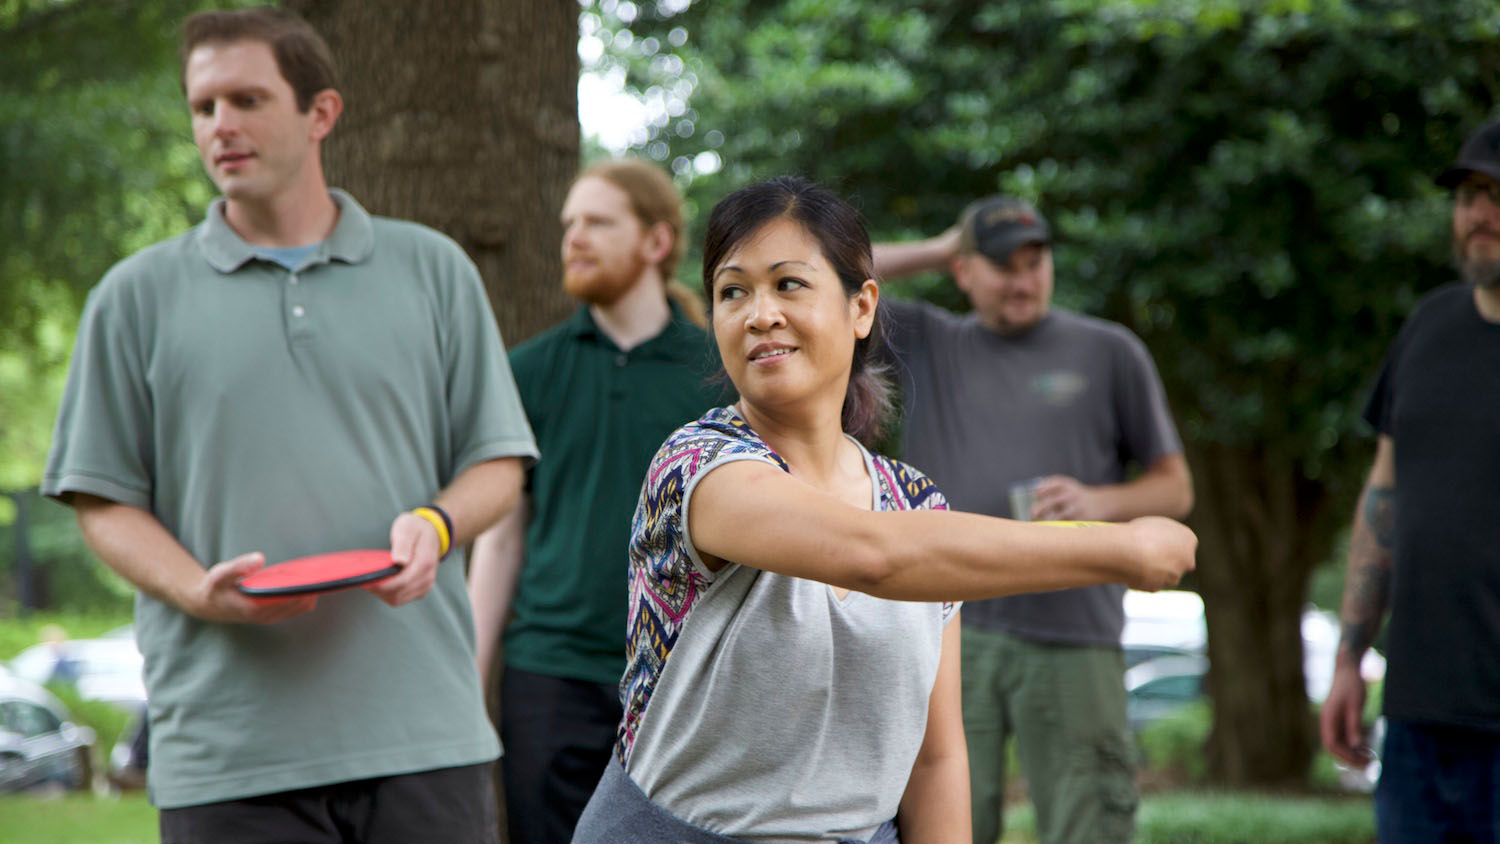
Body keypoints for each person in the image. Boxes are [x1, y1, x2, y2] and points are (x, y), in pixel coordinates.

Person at [570, 176, 1197, 844]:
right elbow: (873, 555)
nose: (759, 313)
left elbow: (935, 757)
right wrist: (1118, 548)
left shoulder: (913, 500)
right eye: (733, 291)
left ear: (862, 307)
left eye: (788, 284)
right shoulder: (696, 467)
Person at [41, 8, 536, 842]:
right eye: (203, 107)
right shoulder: (133, 298)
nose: (221, 125)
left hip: (424, 736)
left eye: (246, 98)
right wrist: (197, 590)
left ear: (321, 114)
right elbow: (102, 502)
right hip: (228, 755)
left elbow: (498, 464)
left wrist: (435, 525)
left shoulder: (433, 269)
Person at [871, 197, 1193, 844]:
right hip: (947, 634)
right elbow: (832, 272)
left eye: (1035, 260)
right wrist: (940, 246)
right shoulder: (928, 342)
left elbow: (1175, 488)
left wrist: (1098, 503)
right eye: (1001, 265)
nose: (1023, 279)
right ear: (964, 273)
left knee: (1090, 825)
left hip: (1074, 631)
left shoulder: (1110, 351)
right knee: (941, 823)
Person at [466, 158, 722, 844]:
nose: (573, 237)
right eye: (568, 224)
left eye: (598, 222)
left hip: (684, 678)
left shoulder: (718, 373)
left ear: (656, 241)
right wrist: (470, 678)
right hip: (548, 676)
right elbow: (501, 538)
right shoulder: (528, 369)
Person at [1320, 118, 1500, 842]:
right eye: (1467, 197)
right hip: (1419, 717)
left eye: (1496, 195)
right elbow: (1383, 496)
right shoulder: (1428, 326)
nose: (1478, 215)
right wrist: (1347, 659)